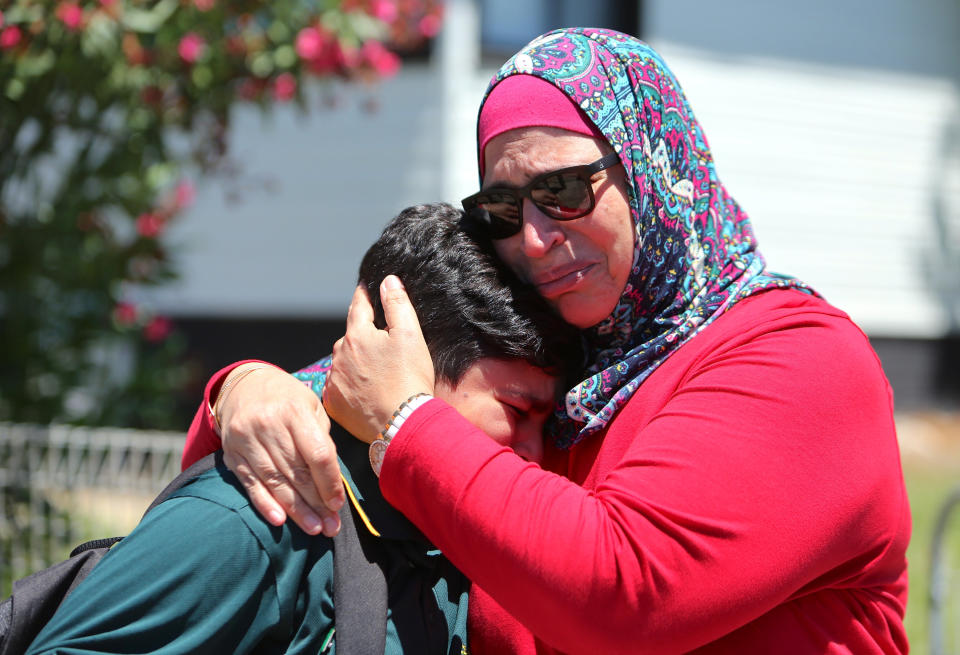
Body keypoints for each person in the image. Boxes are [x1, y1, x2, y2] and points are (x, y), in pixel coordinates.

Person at [184, 28, 910, 654]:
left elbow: (623, 591)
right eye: (502, 205)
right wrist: (247, 391)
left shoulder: (800, 360)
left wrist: (408, 426)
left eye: (566, 190)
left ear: (655, 169)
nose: (535, 238)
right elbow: (348, 386)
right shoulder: (561, 354)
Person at [26, 203, 580, 654]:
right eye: (515, 411)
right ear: (399, 362)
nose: (535, 454)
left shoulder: (440, 540)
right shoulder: (253, 523)